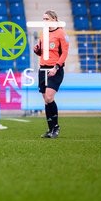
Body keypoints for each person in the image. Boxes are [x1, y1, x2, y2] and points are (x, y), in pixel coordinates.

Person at [33, 9, 69, 137]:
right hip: (43, 69)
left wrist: (56, 67)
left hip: (55, 70)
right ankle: (50, 129)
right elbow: (41, 52)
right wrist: (37, 50)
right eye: (43, 19)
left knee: (49, 97)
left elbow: (64, 53)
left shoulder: (61, 33)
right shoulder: (43, 33)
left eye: (46, 19)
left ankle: (56, 127)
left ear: (54, 19)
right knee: (46, 100)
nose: (44, 21)